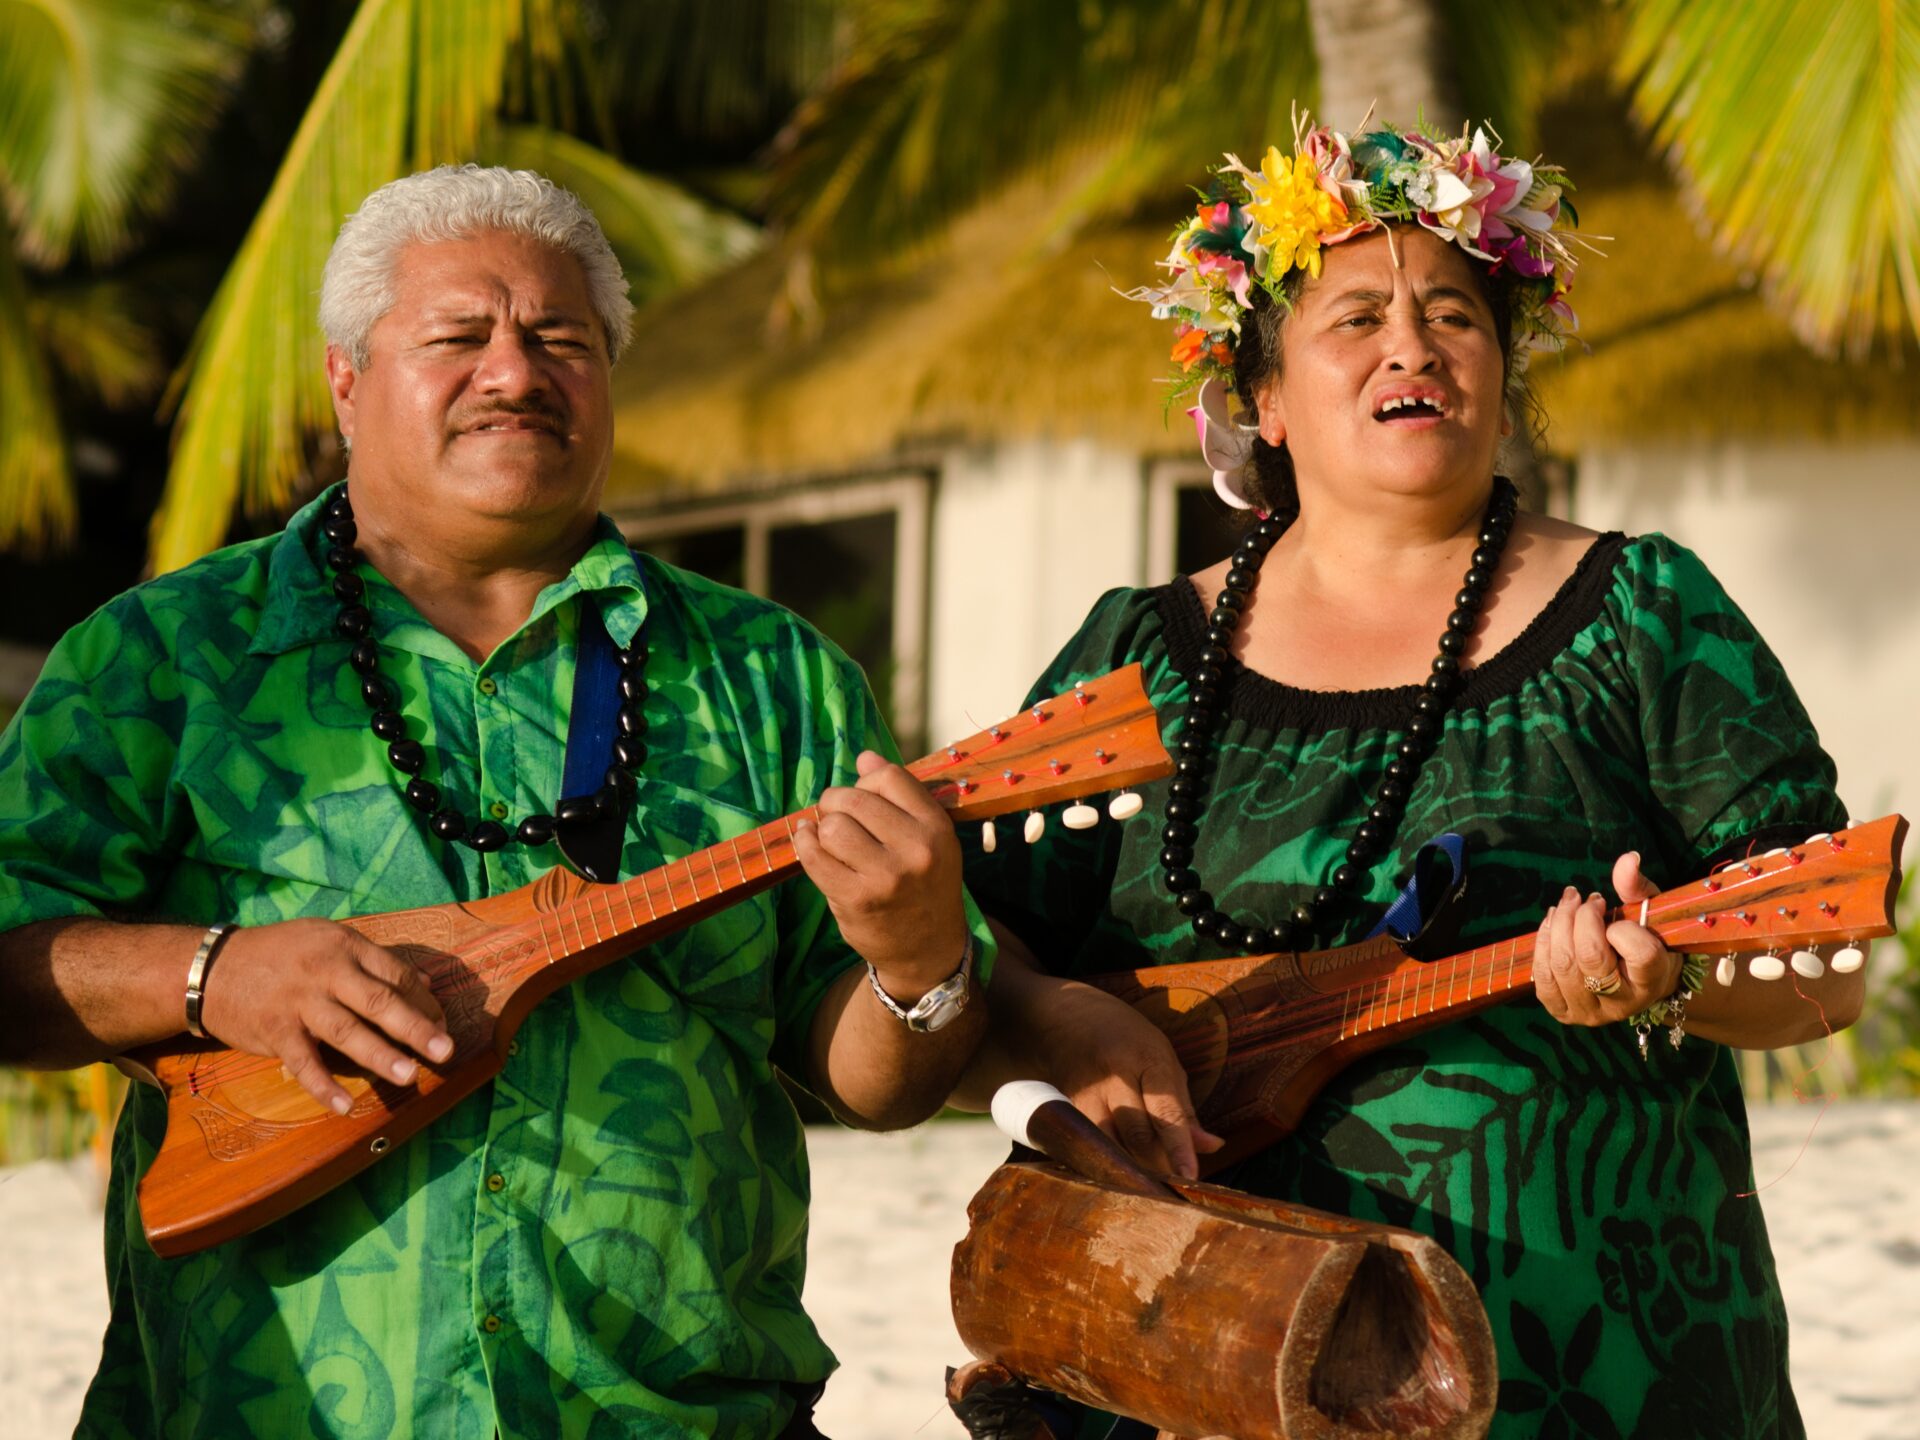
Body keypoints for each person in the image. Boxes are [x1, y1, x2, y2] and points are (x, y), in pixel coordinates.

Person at [0, 164, 993, 1440]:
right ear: (346, 379)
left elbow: (866, 1078)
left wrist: (920, 963)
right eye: (458, 337)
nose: (515, 373)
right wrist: (213, 977)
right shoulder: (166, 661)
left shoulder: (773, 677)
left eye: (560, 339)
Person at [957, 115, 1859, 1439]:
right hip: (1198, 1352)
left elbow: (1825, 963)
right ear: (1261, 396)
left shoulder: (1645, 611)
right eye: (1356, 315)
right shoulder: (1136, 655)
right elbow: (975, 949)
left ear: (1501, 369)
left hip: (1591, 1360)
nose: (1413, 343)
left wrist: (1678, 986)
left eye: (1454, 312)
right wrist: (1076, 1029)